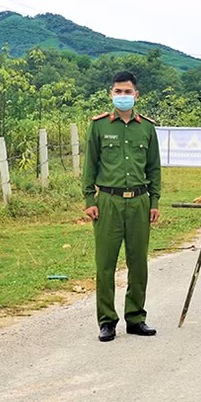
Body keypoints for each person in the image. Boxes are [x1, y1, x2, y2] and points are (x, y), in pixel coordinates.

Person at [82, 71, 162, 342]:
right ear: (111, 93)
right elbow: (89, 166)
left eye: (128, 92)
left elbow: (153, 168)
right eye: (118, 91)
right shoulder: (99, 126)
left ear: (136, 95)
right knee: (105, 264)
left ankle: (136, 318)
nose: (123, 96)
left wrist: (154, 201)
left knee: (138, 262)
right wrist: (88, 200)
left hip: (139, 202)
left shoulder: (147, 128)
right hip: (108, 202)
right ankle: (107, 321)